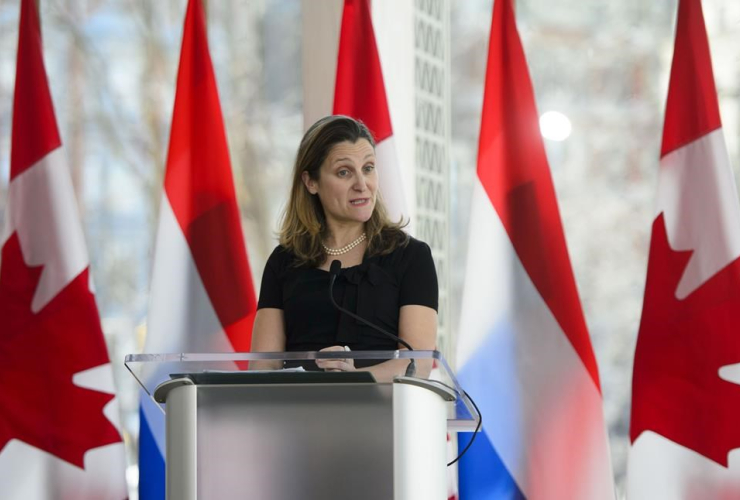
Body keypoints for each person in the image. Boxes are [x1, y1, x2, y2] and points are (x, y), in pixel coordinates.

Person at [251, 115, 437, 381]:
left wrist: (353, 378)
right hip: (298, 413)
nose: (362, 184)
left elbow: (416, 364)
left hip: (384, 414)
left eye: (369, 168)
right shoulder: (284, 261)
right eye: (344, 172)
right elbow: (263, 368)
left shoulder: (411, 256)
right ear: (311, 182)